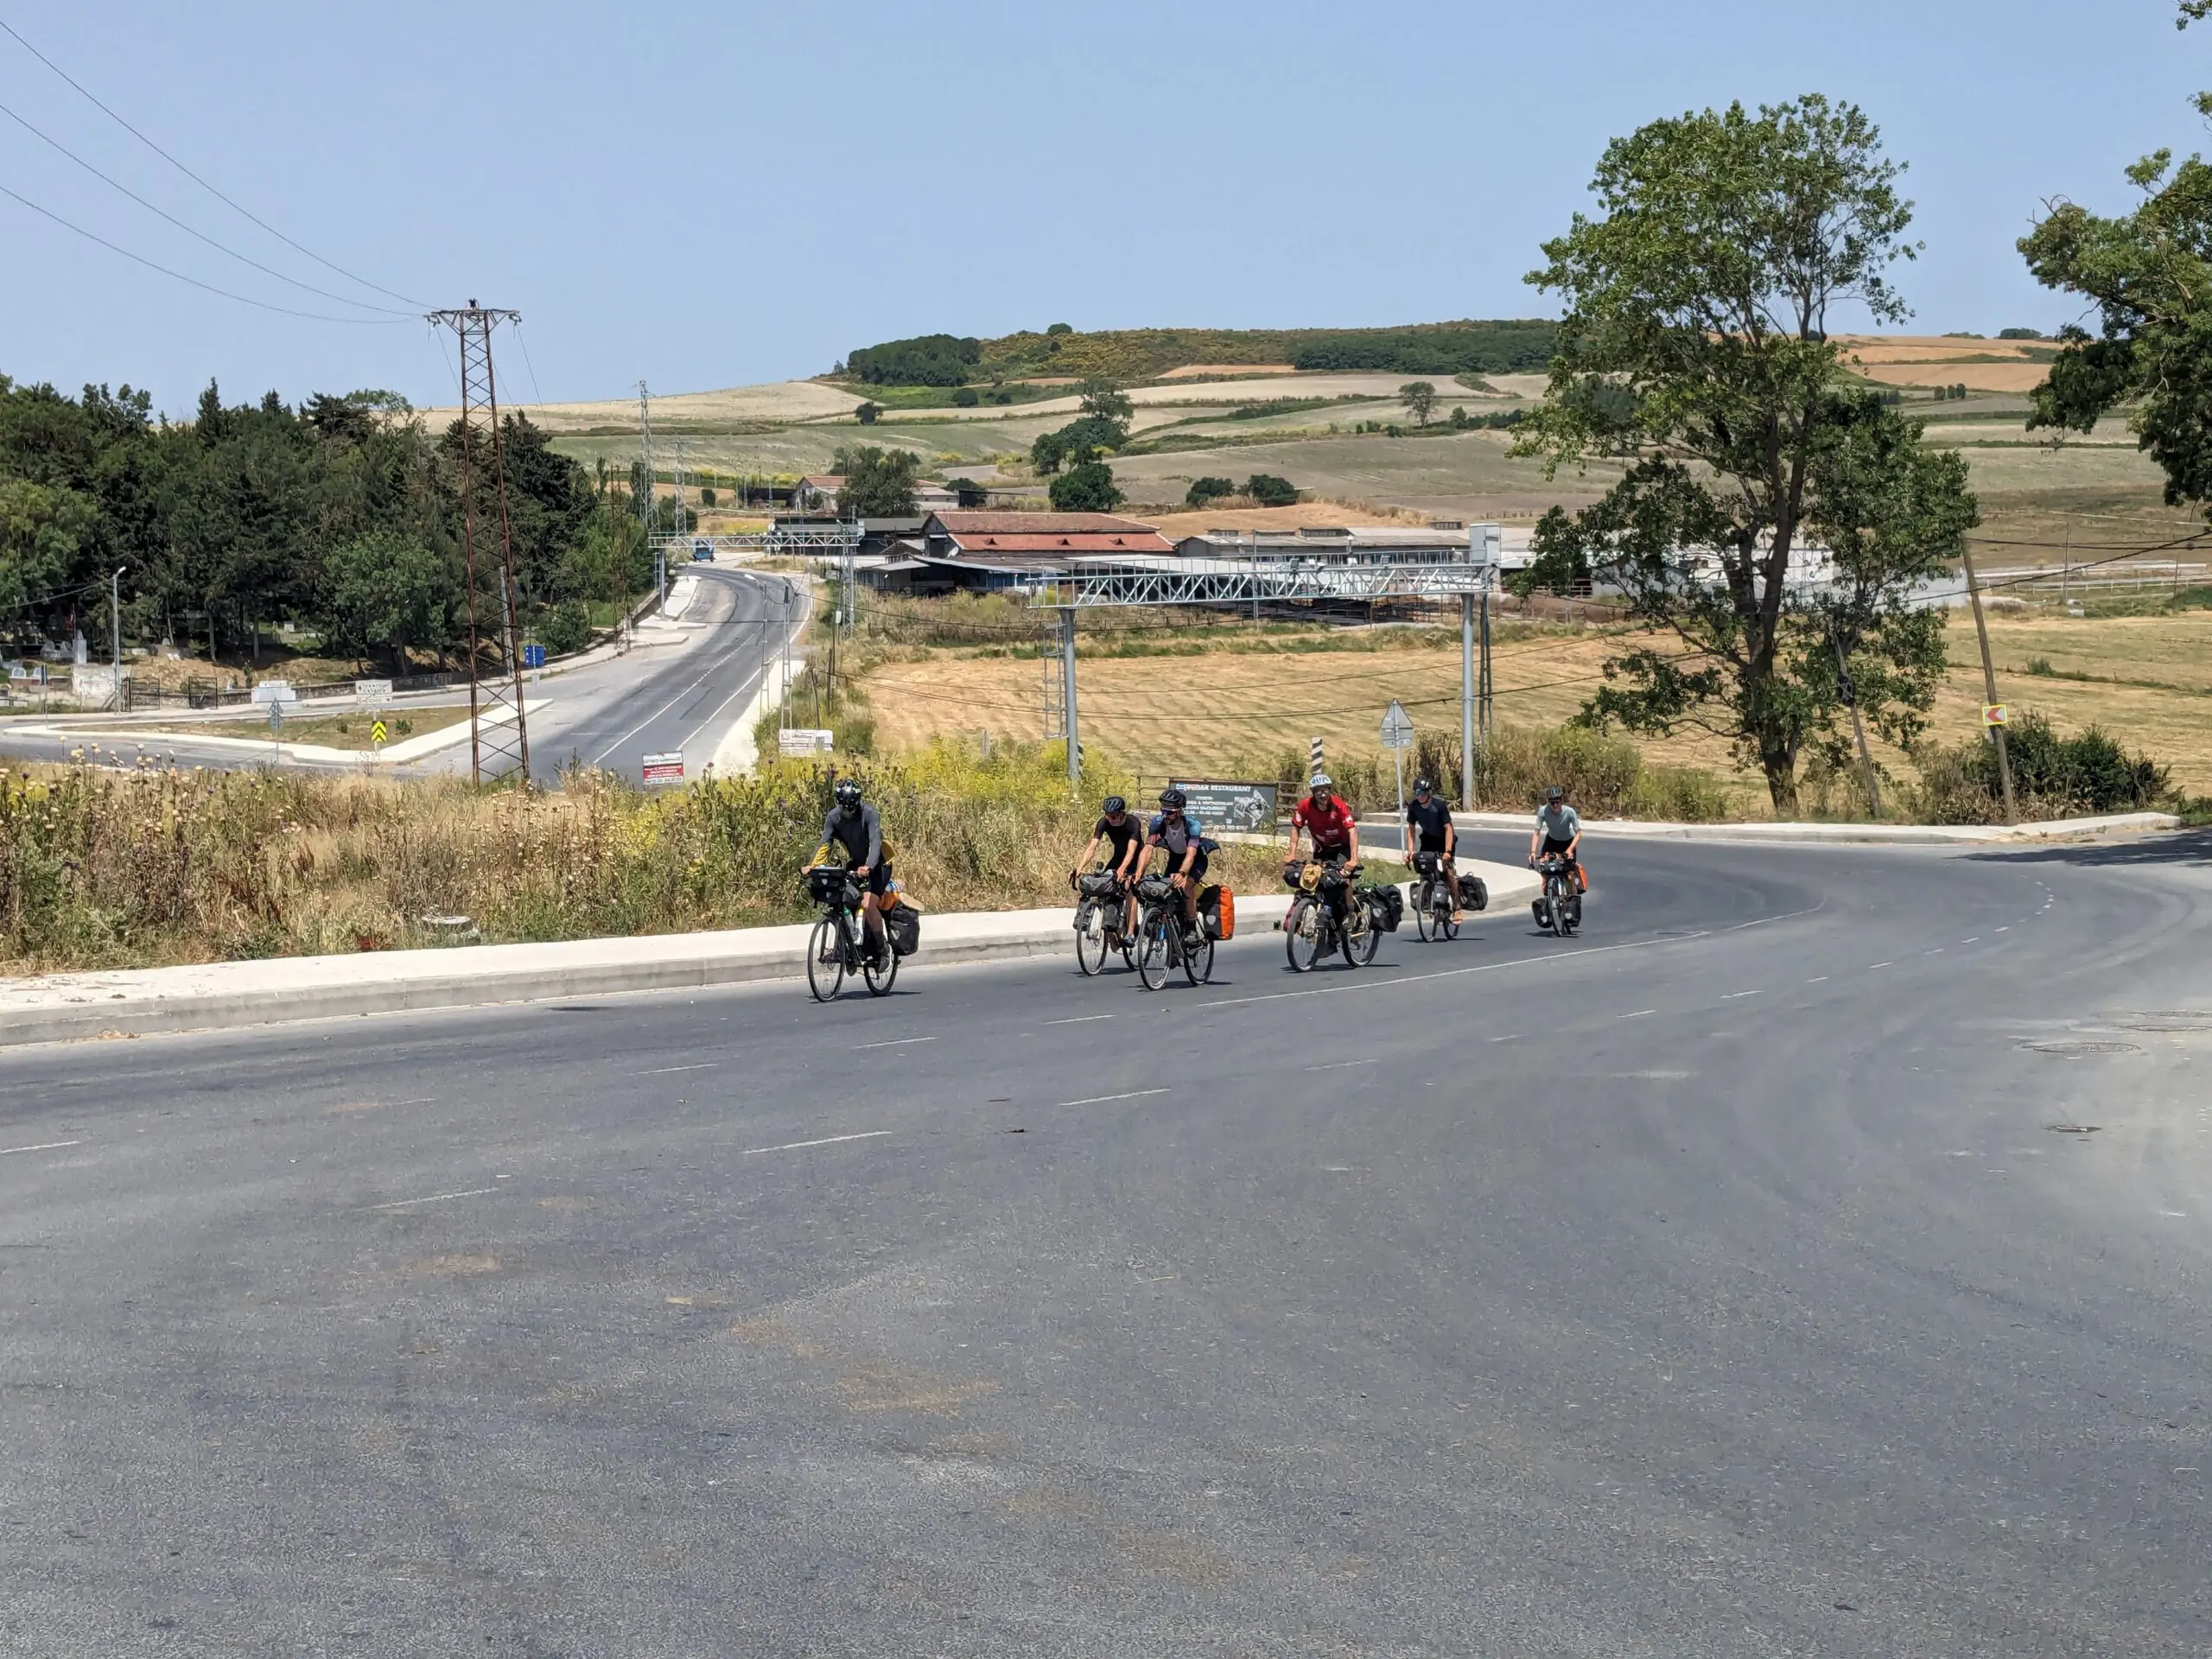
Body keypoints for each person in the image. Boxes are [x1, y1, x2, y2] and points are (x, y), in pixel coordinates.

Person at [819, 777, 891, 961]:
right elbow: (825, 844)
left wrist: (869, 866)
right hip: (856, 865)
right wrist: (813, 865)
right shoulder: (833, 817)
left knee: (867, 904)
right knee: (841, 898)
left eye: (851, 807)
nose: (848, 811)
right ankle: (846, 947)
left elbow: (875, 842)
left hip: (879, 865)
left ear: (857, 802)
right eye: (844, 807)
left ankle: (883, 949)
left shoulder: (870, 814)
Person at [1286, 772, 1361, 923]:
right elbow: (1296, 827)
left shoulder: (1338, 805)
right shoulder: (1305, 806)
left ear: (1329, 790)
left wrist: (1353, 859)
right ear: (1313, 793)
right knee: (1316, 877)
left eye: (1325, 790)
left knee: (1343, 878)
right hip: (1322, 847)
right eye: (1318, 790)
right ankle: (1323, 911)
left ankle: (1351, 913)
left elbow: (1352, 830)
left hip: (1342, 847)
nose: (1323, 794)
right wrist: (1291, 854)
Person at [1143, 787, 1209, 944]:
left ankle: (1192, 929)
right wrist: (1139, 873)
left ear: (1179, 811)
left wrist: (1182, 873)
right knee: (1161, 890)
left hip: (1196, 860)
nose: (1165, 816)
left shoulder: (1193, 825)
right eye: (1163, 811)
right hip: (1175, 858)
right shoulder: (1157, 823)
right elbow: (1147, 850)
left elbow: (1191, 854)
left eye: (1170, 813)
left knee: (1186, 886)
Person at [1073, 794, 1144, 938]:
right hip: (1118, 855)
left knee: (1130, 888)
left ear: (1122, 814)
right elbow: (1092, 847)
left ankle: (1130, 932)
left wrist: (1122, 870)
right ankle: (1111, 923)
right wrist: (1079, 868)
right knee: (1106, 884)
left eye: (1113, 816)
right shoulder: (1103, 822)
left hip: (1136, 856)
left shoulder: (1133, 823)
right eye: (1107, 815)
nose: (1109, 819)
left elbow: (1131, 852)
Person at [1404, 776, 1461, 924]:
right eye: (1417, 792)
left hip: (1444, 840)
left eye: (1423, 792)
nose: (1420, 795)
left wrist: (1448, 851)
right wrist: (1410, 852)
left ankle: (1457, 907)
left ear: (1428, 792)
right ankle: (1428, 900)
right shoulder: (1413, 807)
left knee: (1448, 872)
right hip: (1428, 840)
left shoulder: (1439, 806)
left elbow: (1449, 829)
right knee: (1424, 870)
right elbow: (1411, 830)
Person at [1528, 785, 1585, 893]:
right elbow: (1536, 833)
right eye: (1553, 803)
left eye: (1557, 802)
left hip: (1568, 842)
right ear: (1549, 803)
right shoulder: (1543, 811)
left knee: (1569, 875)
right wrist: (1533, 852)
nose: (1556, 806)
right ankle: (1547, 900)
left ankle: (1572, 899)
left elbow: (1578, 834)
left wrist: (1570, 850)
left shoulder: (1569, 812)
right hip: (1551, 841)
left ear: (1561, 801)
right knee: (1545, 871)